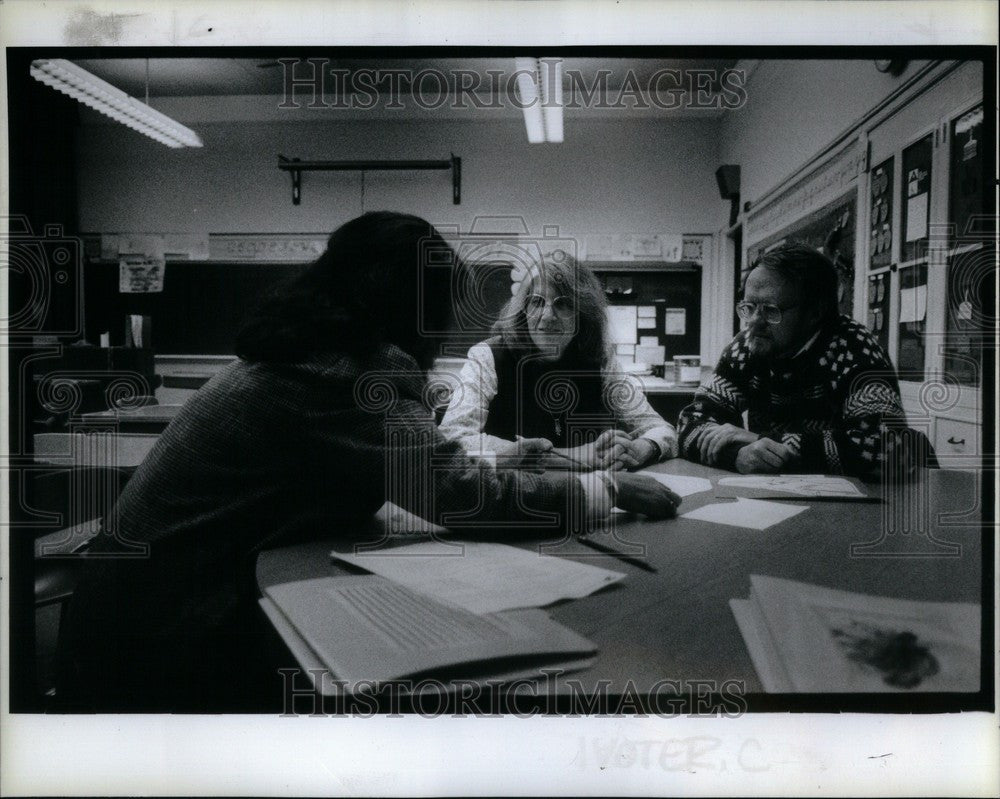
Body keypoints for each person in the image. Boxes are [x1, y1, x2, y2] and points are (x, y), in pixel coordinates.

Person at [55, 212, 681, 712]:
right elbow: (460, 494)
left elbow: (417, 470)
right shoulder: (345, 375)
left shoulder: (305, 353)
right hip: (155, 649)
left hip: (132, 612)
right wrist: (608, 490)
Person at [677, 242, 931, 479]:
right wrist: (738, 454)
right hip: (784, 491)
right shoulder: (747, 347)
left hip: (869, 503)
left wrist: (763, 440)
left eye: (771, 310)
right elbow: (690, 425)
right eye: (749, 307)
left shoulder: (854, 349)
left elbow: (890, 450)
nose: (754, 322)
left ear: (815, 312)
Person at [439, 253, 678, 473]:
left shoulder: (600, 361)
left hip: (590, 498)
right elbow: (453, 438)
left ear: (583, 313)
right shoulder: (488, 357)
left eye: (562, 304)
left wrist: (643, 447)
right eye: (537, 302)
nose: (546, 316)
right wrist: (568, 457)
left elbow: (661, 429)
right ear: (524, 309)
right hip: (512, 497)